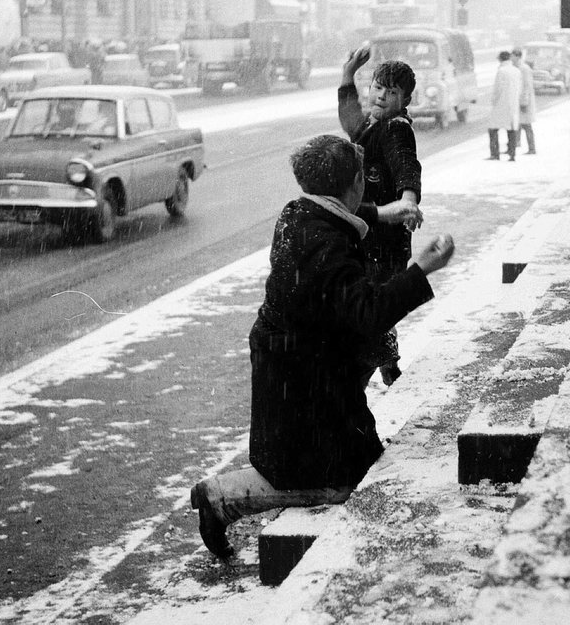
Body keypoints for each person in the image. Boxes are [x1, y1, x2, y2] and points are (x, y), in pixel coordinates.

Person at [189, 135, 455, 560]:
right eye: (361, 179)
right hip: (305, 383)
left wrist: (380, 212)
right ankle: (222, 498)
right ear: (353, 185)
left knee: (353, 459)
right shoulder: (326, 244)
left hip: (297, 372)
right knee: (340, 479)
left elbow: (341, 211)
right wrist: (422, 269)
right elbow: (367, 312)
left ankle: (229, 494)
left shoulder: (301, 214)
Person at [338, 45, 423, 386]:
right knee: (374, 304)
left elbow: (406, 164)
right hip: (374, 233)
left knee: (370, 308)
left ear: (405, 101)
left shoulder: (396, 129)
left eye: (393, 92)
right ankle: (386, 359)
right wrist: (347, 76)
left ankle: (364, 375)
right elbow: (351, 122)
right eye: (377, 87)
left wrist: (408, 199)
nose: (382, 96)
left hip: (385, 238)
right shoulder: (374, 125)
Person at [486, 50, 522, 161]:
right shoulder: (517, 71)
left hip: (501, 104)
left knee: (493, 129)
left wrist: (493, 101)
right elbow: (520, 87)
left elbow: (497, 89)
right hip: (513, 103)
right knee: (511, 130)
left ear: (500, 59)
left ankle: (495, 153)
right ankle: (512, 153)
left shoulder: (501, 71)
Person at [512, 47, 537, 154]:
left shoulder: (524, 68)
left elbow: (526, 86)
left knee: (526, 125)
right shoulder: (517, 67)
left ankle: (531, 148)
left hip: (524, 101)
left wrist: (524, 102)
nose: (511, 58)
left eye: (512, 56)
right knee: (517, 123)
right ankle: (514, 144)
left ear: (517, 56)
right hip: (519, 100)